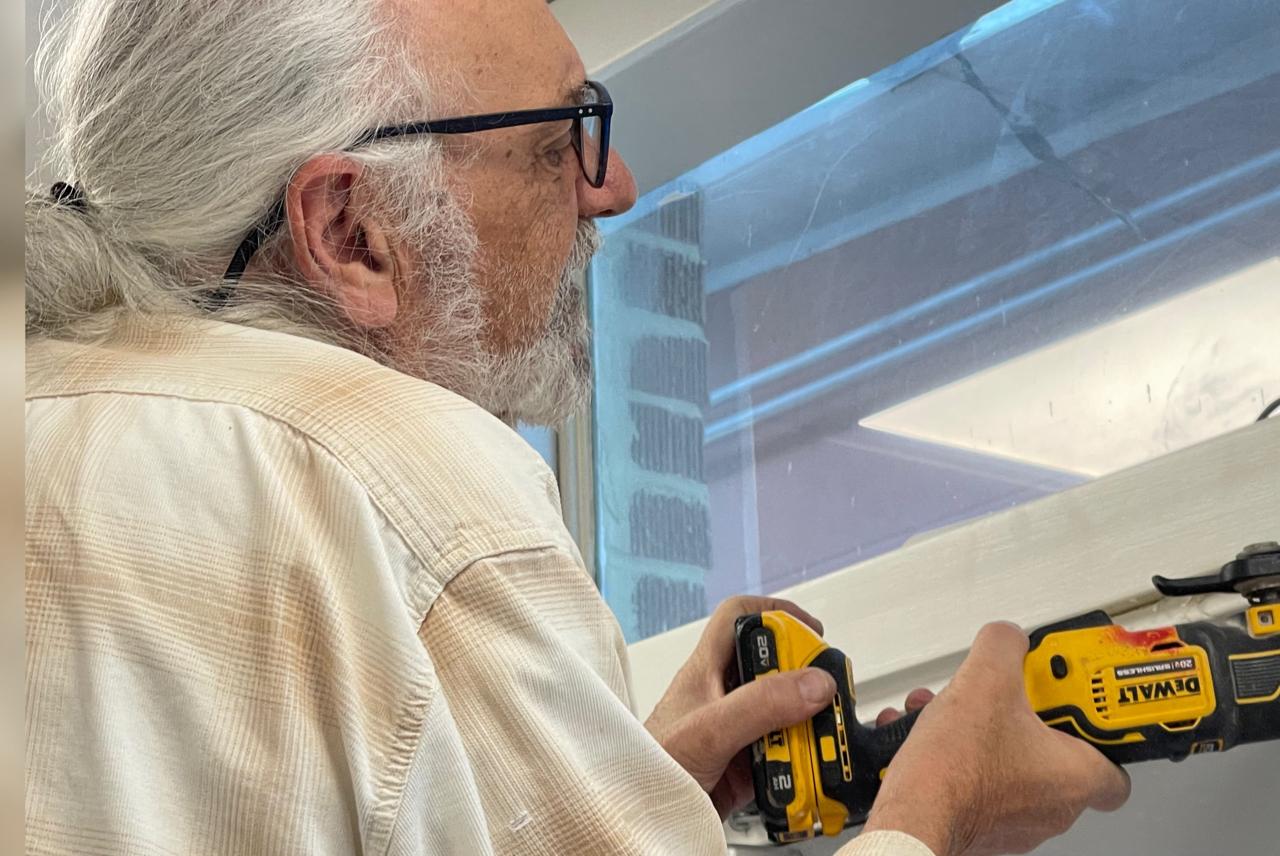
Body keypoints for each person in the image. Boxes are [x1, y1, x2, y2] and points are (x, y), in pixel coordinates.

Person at [23, 0, 1130, 853]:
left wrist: (608, 790)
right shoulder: (395, 478)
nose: (617, 189)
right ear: (348, 228)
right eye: (564, 137)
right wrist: (938, 804)